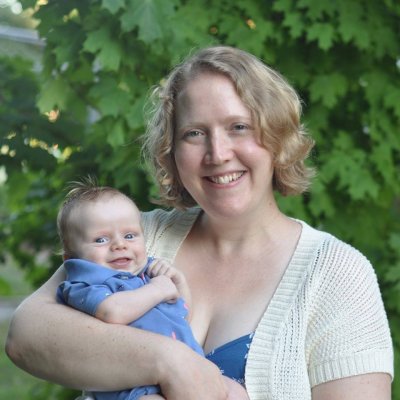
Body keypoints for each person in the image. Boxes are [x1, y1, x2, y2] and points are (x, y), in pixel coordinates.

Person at [6, 45, 393, 399]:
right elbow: (25, 335)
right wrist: (169, 360)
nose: (218, 153)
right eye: (194, 133)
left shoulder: (337, 274)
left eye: (238, 127)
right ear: (172, 152)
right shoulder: (136, 239)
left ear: (275, 136)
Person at [55, 180, 207, 399]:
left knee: (233, 392)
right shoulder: (85, 285)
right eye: (101, 239)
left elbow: (182, 315)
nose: (119, 245)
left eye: (129, 236)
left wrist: (178, 282)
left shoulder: (147, 275)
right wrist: (159, 290)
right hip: (134, 386)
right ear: (71, 258)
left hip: (190, 373)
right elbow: (113, 312)